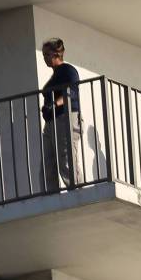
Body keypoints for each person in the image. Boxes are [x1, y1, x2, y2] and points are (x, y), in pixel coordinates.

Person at [40, 38, 83, 191]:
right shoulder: (56, 74)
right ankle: (50, 195)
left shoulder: (68, 70)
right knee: (48, 161)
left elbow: (71, 91)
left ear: (57, 54)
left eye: (47, 54)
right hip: (51, 121)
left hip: (65, 117)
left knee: (65, 157)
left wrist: (54, 104)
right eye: (43, 54)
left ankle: (77, 191)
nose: (44, 57)